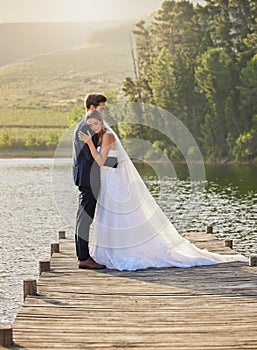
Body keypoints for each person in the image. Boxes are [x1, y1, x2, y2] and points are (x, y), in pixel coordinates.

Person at [79, 111, 248, 271]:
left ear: (101, 122)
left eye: (95, 123)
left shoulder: (107, 135)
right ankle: (112, 250)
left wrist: (88, 143)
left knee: (119, 215)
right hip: (108, 181)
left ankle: (126, 251)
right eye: (91, 125)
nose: (93, 127)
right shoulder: (98, 136)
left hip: (114, 181)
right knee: (108, 215)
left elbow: (101, 161)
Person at [72, 94, 107, 269]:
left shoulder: (86, 125)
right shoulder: (86, 128)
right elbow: (91, 157)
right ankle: (84, 258)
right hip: (88, 178)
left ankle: (83, 255)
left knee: (83, 217)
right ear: (92, 108)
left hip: (86, 177)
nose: (104, 111)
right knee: (85, 218)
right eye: (102, 108)